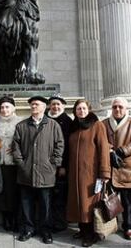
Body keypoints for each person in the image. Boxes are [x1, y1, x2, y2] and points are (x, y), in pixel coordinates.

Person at [13, 95, 64, 244]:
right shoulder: (22, 126)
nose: (34, 107)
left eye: (37, 104)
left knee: (45, 203)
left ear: (44, 107)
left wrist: (53, 164)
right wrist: (21, 164)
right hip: (26, 172)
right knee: (26, 203)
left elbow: (59, 145)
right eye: (32, 105)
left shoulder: (53, 125)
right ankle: (28, 229)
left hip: (46, 172)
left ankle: (45, 230)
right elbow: (15, 147)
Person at [67, 99, 110, 247]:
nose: (81, 111)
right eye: (79, 109)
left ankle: (91, 234)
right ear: (75, 111)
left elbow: (104, 149)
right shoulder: (73, 126)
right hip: (75, 173)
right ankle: (82, 229)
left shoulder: (97, 125)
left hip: (91, 173)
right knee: (78, 202)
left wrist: (104, 172)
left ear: (89, 110)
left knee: (90, 204)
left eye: (84, 108)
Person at [102, 97, 131, 240]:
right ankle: (109, 226)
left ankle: (128, 227)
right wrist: (109, 151)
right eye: (115, 107)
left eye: (120, 107)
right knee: (109, 200)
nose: (117, 109)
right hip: (109, 168)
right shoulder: (104, 123)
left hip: (126, 168)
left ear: (125, 108)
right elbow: (99, 141)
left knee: (127, 201)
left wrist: (122, 151)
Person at [0, 96, 23, 231]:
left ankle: (16, 219)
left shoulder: (20, 122)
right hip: (0, 162)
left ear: (13, 108)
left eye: (7, 107)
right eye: (2, 107)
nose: (4, 110)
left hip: (14, 163)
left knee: (14, 192)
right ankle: (6, 219)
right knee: (2, 193)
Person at [46, 94, 72, 233]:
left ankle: (60, 222)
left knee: (60, 196)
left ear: (63, 106)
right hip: (46, 165)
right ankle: (48, 222)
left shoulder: (67, 121)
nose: (55, 107)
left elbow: (68, 146)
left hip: (60, 165)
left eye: (58, 104)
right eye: (53, 104)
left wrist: (63, 166)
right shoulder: (45, 118)